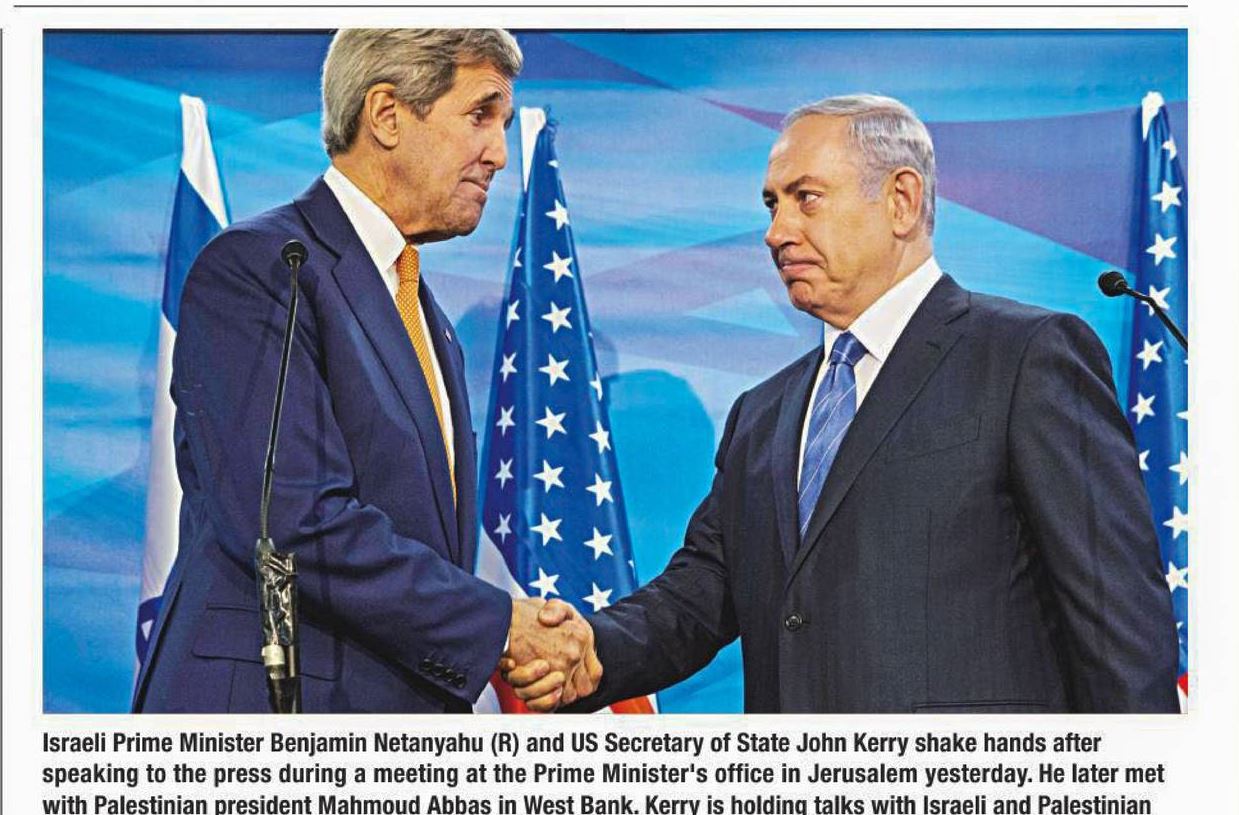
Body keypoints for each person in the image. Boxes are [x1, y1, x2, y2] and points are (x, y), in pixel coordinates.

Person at [509, 94, 1179, 713]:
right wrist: (591, 649)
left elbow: (1115, 623)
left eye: (805, 198)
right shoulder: (762, 413)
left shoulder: (1024, 357)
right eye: (771, 205)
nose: (776, 231)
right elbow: (703, 588)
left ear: (900, 200)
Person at [134, 28, 598, 713]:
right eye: (480, 114)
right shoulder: (263, 267)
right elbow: (291, 520)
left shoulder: (425, 315)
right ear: (386, 114)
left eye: (503, 124)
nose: (499, 154)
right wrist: (501, 625)